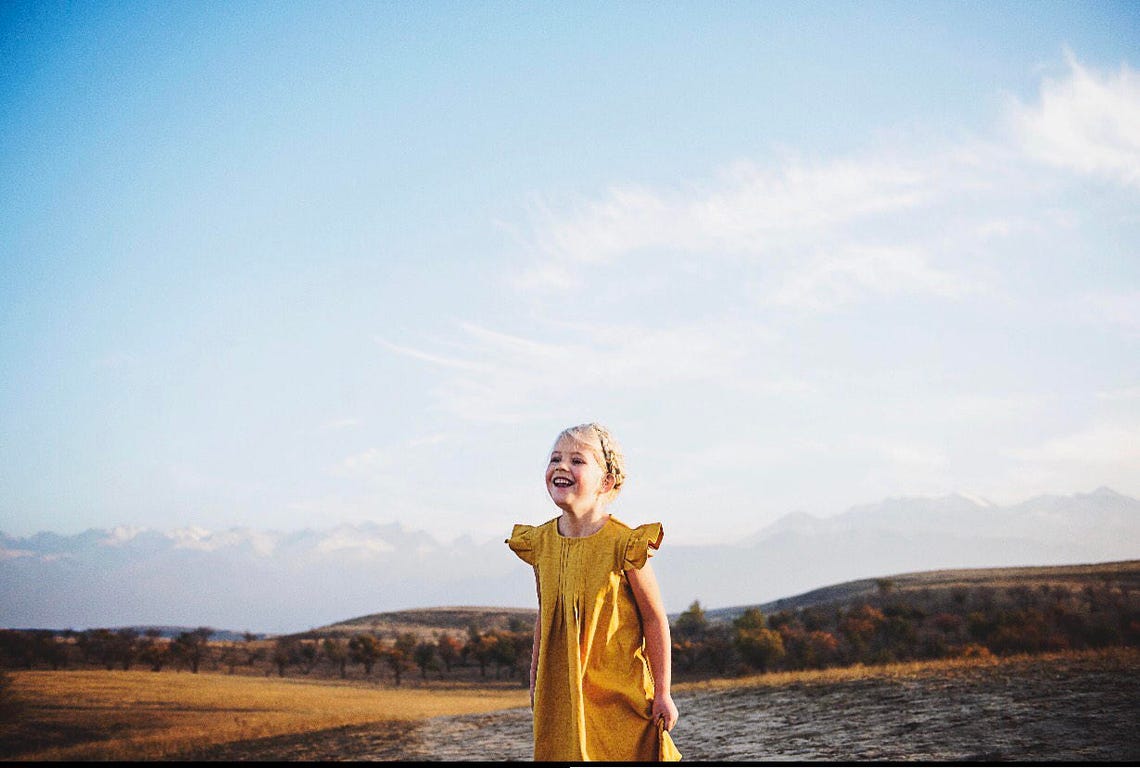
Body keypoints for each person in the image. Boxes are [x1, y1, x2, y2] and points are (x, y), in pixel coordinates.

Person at [506, 422, 681, 762]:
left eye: (577, 460)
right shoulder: (541, 544)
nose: (561, 466)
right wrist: (536, 681)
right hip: (562, 697)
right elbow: (547, 615)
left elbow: (654, 619)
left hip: (619, 694)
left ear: (607, 482)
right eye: (555, 458)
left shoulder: (625, 543)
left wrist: (663, 692)